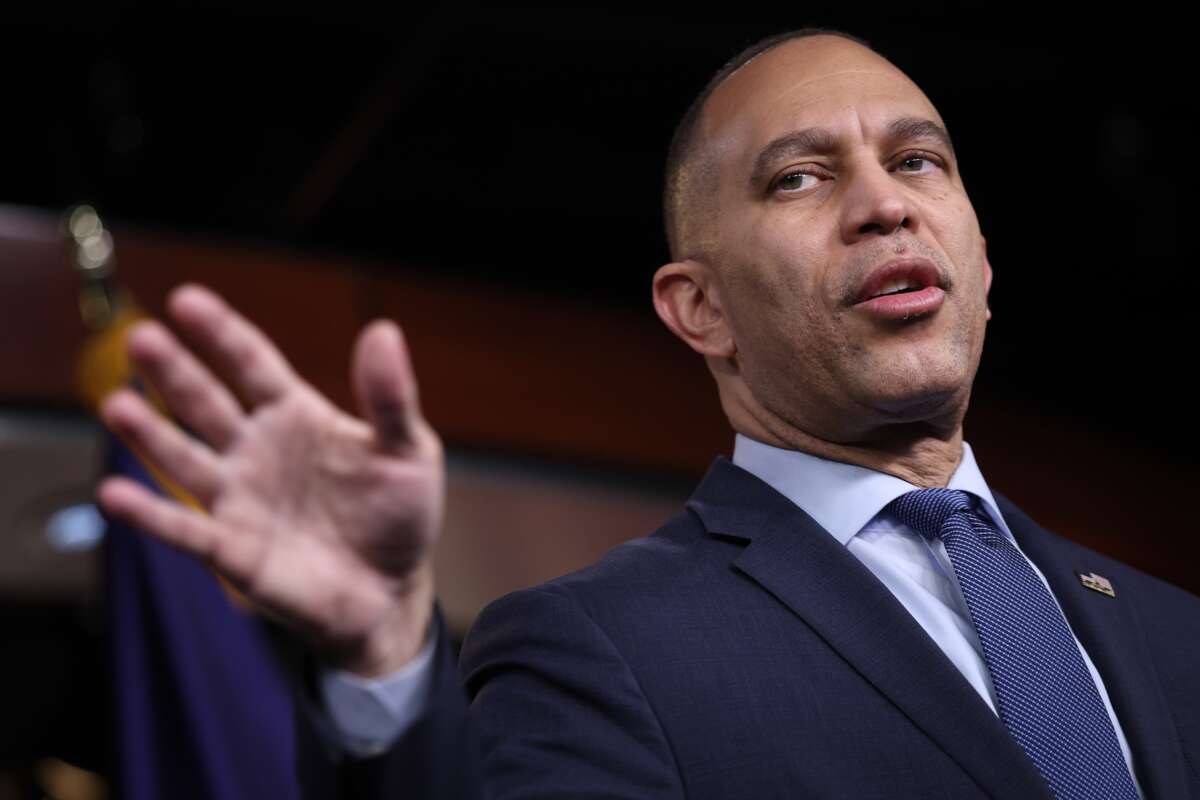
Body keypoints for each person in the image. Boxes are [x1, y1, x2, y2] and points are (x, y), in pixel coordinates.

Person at [96, 29, 1200, 799]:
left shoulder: (1174, 631)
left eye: (918, 159)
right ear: (699, 307)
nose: (885, 202)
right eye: (800, 179)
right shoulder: (599, 647)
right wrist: (383, 654)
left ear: (983, 260)